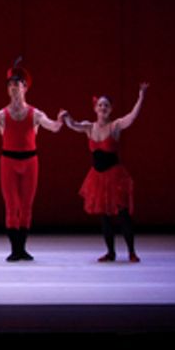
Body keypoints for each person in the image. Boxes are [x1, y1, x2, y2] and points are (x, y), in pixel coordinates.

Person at [0, 58, 65, 261]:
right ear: (7, 90)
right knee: (12, 205)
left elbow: (53, 127)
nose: (13, 87)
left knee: (27, 205)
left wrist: (59, 121)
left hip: (30, 162)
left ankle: (23, 248)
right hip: (8, 162)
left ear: (25, 88)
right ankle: (15, 249)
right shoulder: (1, 115)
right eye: (10, 85)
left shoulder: (35, 113)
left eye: (17, 84)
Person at [62, 83, 148, 262]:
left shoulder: (115, 126)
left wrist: (141, 96)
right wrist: (66, 117)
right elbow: (74, 125)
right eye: (100, 105)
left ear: (110, 109)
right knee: (105, 217)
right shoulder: (89, 127)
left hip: (115, 176)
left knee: (123, 215)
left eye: (106, 105)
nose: (103, 108)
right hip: (97, 177)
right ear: (95, 108)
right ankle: (111, 252)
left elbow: (132, 117)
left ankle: (132, 252)